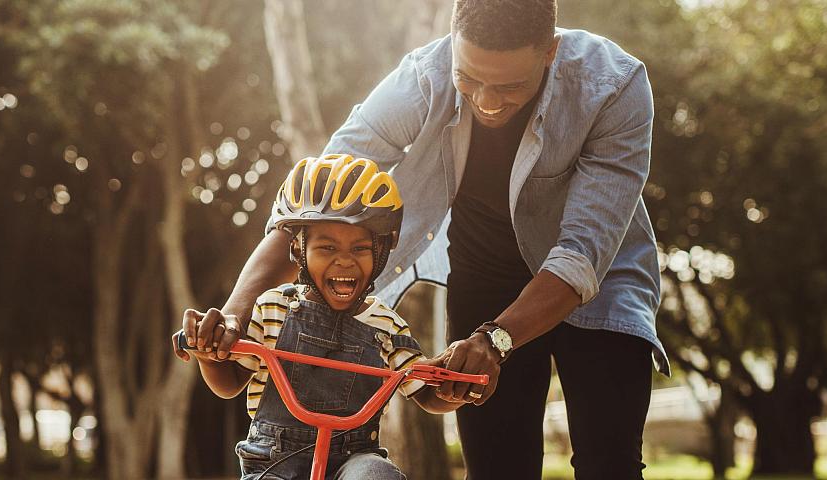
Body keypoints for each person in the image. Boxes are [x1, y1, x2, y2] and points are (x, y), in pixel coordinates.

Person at [198, 0, 671, 478]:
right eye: (470, 79)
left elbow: (580, 256)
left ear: (549, 52)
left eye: (509, 86)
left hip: (601, 280)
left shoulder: (615, 86)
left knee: (608, 460)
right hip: (486, 275)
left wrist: (497, 338)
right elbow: (320, 201)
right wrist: (237, 312)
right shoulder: (423, 79)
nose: (487, 102)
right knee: (496, 466)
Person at [175, 155, 463, 480]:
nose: (344, 261)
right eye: (326, 248)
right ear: (298, 250)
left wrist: (450, 385)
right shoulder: (272, 309)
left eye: (360, 249)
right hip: (273, 463)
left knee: (377, 475)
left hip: (353, 460)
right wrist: (209, 356)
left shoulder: (385, 324)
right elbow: (229, 384)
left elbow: (424, 390)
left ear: (382, 250)